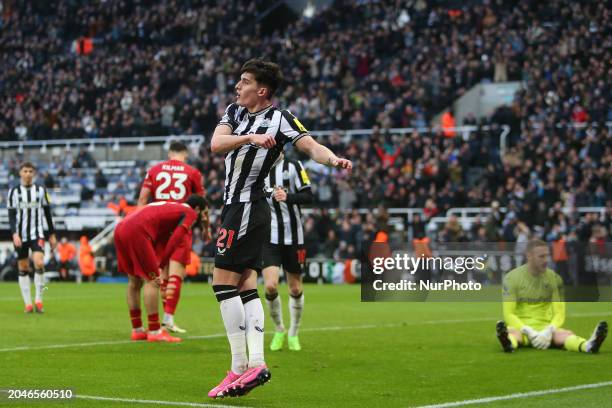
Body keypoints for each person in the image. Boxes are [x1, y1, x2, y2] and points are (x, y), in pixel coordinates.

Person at [208, 58, 352, 399]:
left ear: (262, 90)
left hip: (247, 207)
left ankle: (240, 366)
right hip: (239, 208)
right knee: (245, 283)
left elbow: (310, 146)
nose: (237, 87)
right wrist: (250, 138)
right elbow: (216, 144)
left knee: (222, 283)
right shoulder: (235, 113)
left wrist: (333, 160)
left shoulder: (282, 118)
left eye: (243, 81)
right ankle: (252, 363)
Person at [114, 195, 208, 343]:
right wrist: (162, 264)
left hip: (121, 226)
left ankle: (137, 330)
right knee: (153, 281)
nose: (203, 218)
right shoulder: (189, 212)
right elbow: (175, 239)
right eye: (204, 213)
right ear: (197, 209)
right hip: (137, 230)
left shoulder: (171, 207)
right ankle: (154, 331)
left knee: (134, 282)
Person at [138, 140, 208, 333]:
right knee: (176, 275)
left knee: (160, 275)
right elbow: (202, 202)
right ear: (184, 154)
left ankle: (155, 322)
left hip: (157, 225)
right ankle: (168, 319)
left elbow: (143, 198)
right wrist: (206, 227)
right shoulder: (192, 172)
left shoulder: (154, 170)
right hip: (180, 223)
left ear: (170, 153)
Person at [496, 239, 608, 353]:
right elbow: (508, 313)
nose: (546, 260)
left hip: (547, 331)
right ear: (529, 256)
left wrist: (549, 330)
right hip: (522, 330)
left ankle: (588, 346)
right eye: (541, 256)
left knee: (565, 334)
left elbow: (559, 313)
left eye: (547, 256)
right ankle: (508, 343)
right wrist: (528, 331)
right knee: (513, 333)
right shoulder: (511, 279)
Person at [262, 154, 313, 352]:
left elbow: (309, 196)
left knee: (294, 289)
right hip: (270, 238)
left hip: (295, 239)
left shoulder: (293, 165)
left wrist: (288, 196)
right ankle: (279, 329)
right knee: (270, 286)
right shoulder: (259, 166)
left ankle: (294, 331)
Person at [6, 162, 57, 313]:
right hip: (20, 235)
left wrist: (52, 234)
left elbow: (47, 213)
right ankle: (28, 304)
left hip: (38, 233)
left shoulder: (41, 191)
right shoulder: (13, 192)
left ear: (34, 173)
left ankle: (39, 300)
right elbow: (11, 215)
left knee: (39, 263)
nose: (28, 174)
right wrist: (14, 233)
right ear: (20, 173)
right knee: (23, 267)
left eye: (30, 171)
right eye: (25, 171)